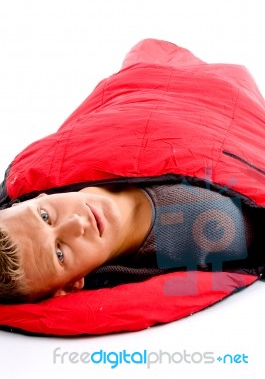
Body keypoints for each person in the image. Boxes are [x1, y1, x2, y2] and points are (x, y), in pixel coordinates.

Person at [1, 38, 265, 304]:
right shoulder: (210, 230)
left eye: (45, 216)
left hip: (160, 78)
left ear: (38, 198)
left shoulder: (36, 173)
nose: (77, 223)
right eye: (60, 253)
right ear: (71, 286)